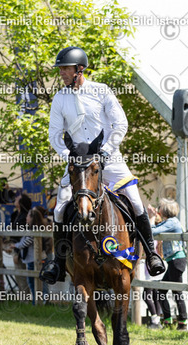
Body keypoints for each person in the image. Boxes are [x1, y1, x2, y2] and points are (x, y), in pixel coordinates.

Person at [40, 46, 165, 285]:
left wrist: (106, 150)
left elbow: (121, 124)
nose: (61, 73)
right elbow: (54, 134)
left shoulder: (101, 91)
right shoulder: (59, 98)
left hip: (110, 159)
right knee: (60, 208)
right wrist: (70, 156)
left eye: (65, 69)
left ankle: (151, 254)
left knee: (135, 201)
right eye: (60, 69)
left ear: (79, 69)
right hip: (79, 165)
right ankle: (58, 263)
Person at [147, 199, 188, 330]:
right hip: (173, 261)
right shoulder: (169, 222)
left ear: (164, 210)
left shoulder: (171, 222)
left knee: (176, 292)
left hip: (177, 260)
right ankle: (168, 320)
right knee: (162, 292)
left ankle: (182, 323)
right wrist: (152, 218)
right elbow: (153, 229)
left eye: (160, 207)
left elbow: (152, 231)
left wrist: (151, 217)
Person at [10, 193, 32, 295]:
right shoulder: (16, 215)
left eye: (18, 198)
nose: (15, 199)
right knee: (18, 273)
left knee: (21, 273)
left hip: (22, 248)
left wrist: (18, 252)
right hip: (15, 246)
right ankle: (23, 296)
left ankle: (25, 297)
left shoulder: (24, 217)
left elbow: (23, 236)